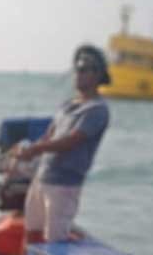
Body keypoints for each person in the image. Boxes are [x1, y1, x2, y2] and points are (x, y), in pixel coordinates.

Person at [13, 44, 111, 242]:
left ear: (97, 75)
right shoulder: (68, 105)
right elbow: (50, 136)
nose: (78, 74)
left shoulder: (97, 110)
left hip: (64, 185)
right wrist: (26, 151)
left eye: (83, 69)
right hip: (42, 179)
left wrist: (35, 149)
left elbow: (70, 141)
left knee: (55, 241)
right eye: (77, 69)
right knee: (31, 233)